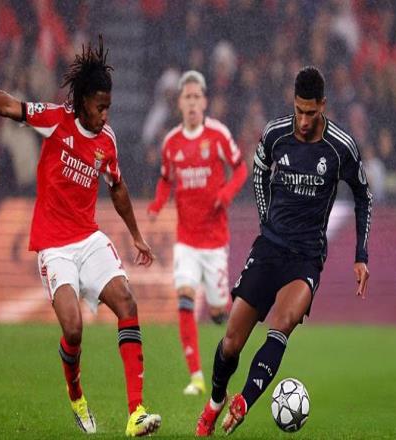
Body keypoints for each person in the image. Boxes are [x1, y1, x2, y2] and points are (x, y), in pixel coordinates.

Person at [0, 38, 161, 437]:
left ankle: (136, 413)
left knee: (127, 302)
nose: (105, 115)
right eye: (100, 107)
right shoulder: (55, 120)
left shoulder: (107, 141)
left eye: (109, 107)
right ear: (83, 102)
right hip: (54, 246)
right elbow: (10, 106)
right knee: (74, 329)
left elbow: (117, 187)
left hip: (89, 238)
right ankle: (75, 392)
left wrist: (136, 235)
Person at [195, 66, 372, 436]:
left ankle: (244, 401)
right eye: (299, 111)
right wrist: (265, 218)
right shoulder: (276, 133)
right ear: (293, 103)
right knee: (231, 343)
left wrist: (361, 255)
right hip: (269, 250)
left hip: (306, 258)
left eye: (311, 113)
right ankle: (215, 401)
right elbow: (259, 167)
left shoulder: (340, 147)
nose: (304, 121)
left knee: (283, 323)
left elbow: (363, 195)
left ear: (323, 105)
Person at [147, 70, 247, 396]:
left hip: (215, 241)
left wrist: (226, 194)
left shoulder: (218, 135)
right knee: (185, 298)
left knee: (218, 314)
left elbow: (241, 168)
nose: (191, 103)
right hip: (187, 240)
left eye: (196, 97)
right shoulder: (171, 142)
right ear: (179, 103)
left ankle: (229, 323)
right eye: (186, 97)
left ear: (204, 102)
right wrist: (157, 204)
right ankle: (196, 377)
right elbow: (165, 179)